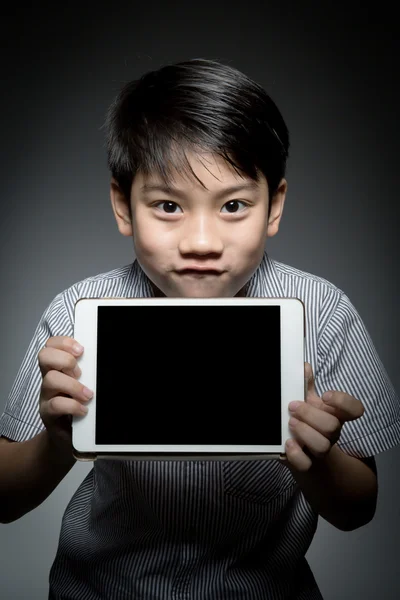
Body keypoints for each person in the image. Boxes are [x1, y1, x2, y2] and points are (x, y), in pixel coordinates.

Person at [1, 58, 399, 600]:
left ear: (274, 206)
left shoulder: (322, 312)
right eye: (168, 206)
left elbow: (359, 510)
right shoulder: (77, 313)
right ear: (124, 206)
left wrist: (319, 460)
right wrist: (54, 442)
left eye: (233, 205)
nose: (202, 242)